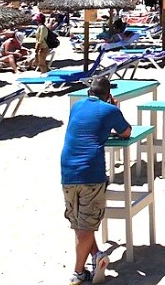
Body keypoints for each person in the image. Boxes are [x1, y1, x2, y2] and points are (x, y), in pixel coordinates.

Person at [61, 76, 132, 285]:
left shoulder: (76, 107)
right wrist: (115, 108)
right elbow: (126, 132)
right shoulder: (110, 110)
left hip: (67, 170)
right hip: (91, 172)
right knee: (86, 226)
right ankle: (78, 272)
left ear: (88, 93)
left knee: (79, 224)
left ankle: (96, 256)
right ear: (108, 96)